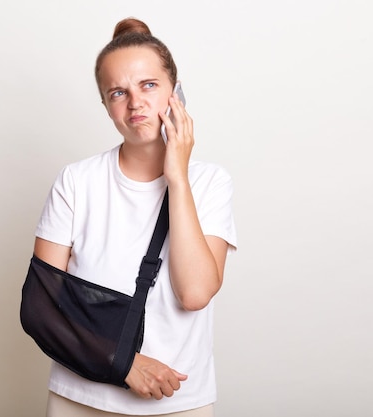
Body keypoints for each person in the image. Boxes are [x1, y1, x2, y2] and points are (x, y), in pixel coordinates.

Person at [33, 17, 237, 417]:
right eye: (117, 92)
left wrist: (177, 178)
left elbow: (194, 293)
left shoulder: (211, 182)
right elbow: (43, 306)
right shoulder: (77, 181)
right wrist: (124, 362)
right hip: (80, 397)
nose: (135, 103)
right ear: (107, 106)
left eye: (149, 85)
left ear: (176, 93)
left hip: (177, 401)